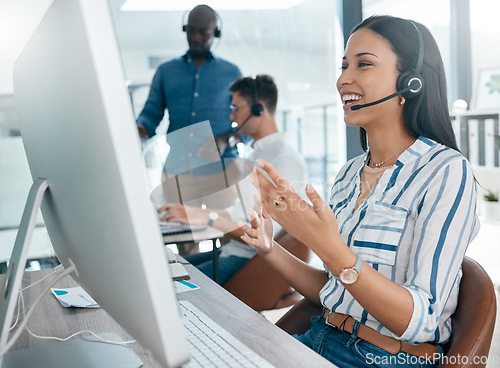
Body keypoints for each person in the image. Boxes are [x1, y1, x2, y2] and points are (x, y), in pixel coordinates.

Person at [239, 16, 479, 368]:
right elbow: (334, 290)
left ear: (411, 83)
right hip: (321, 335)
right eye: (343, 65)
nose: (342, 79)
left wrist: (329, 246)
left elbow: (420, 318)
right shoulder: (349, 174)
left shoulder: (445, 171)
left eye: (363, 64)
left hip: (379, 358)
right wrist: (268, 247)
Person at [158, 75, 308, 285]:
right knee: (163, 267)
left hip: (252, 261)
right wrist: (191, 213)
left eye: (236, 108)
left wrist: (209, 219)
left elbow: (263, 236)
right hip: (233, 251)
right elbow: (238, 213)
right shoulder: (257, 154)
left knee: (169, 284)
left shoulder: (283, 160)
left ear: (258, 109)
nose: (231, 116)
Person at [137, 4, 243, 254]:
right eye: (191, 31)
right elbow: (150, 115)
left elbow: (248, 124)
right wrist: (138, 128)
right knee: (184, 245)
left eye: (203, 32)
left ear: (216, 33)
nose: (196, 37)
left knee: (234, 238)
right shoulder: (166, 72)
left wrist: (225, 140)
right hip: (178, 170)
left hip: (222, 172)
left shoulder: (232, 72)